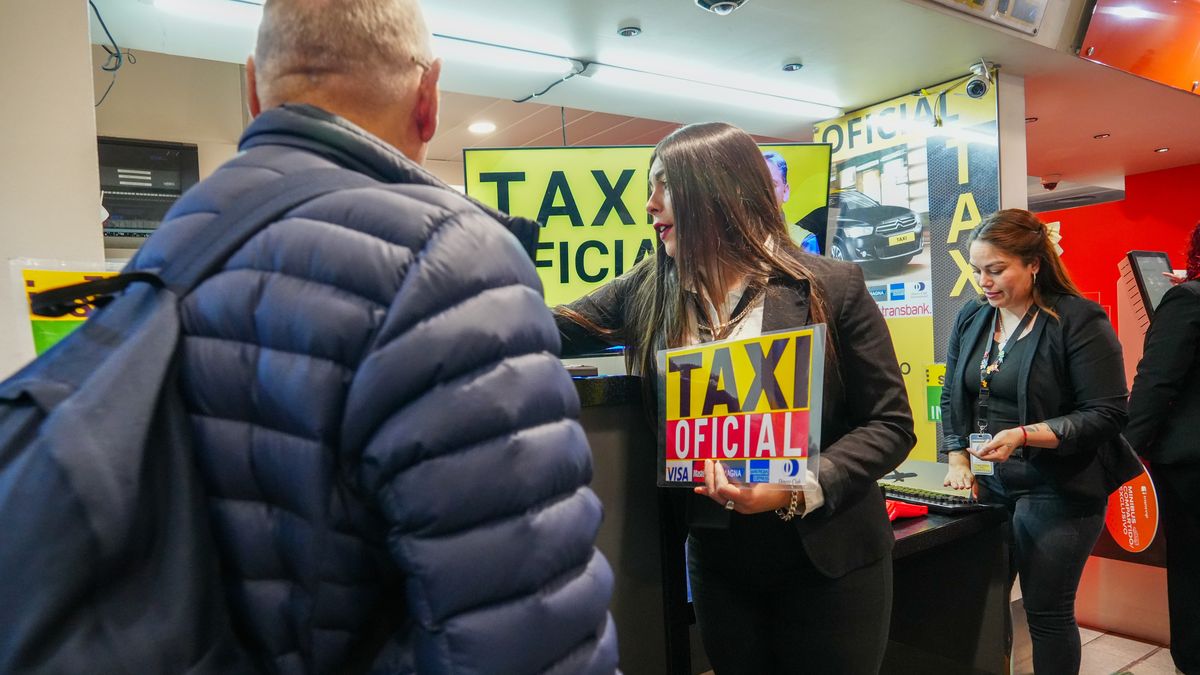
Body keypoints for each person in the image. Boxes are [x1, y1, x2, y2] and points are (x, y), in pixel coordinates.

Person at [124, 1, 618, 672]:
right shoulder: (451, 261)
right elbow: (530, 635)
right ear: (429, 96)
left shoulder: (157, 260)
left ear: (252, 90)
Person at [556, 122, 915, 674]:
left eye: (662, 186)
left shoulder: (831, 286)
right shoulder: (651, 287)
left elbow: (890, 423)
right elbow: (551, 326)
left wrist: (798, 485)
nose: (649, 205)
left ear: (718, 189)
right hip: (721, 566)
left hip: (830, 561)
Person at [941, 209, 1129, 674]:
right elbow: (951, 393)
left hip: (1059, 487)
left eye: (996, 269)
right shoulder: (973, 317)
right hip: (991, 482)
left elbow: (1106, 413)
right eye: (977, 270)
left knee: (1046, 613)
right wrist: (957, 457)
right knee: (980, 605)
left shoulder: (1078, 320)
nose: (983, 282)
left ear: (1034, 264)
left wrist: (1026, 434)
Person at [1126, 222, 1200, 675]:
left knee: (1191, 570)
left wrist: (1124, 455)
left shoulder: (1188, 301)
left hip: (1191, 466)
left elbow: (1156, 383)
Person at [762, 150, 823, 255]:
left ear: (785, 191)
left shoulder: (804, 242)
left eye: (772, 185)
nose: (764, 191)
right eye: (757, 185)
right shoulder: (739, 238)